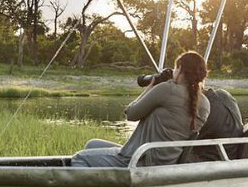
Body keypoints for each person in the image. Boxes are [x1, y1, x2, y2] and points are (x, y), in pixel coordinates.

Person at [71, 51, 211, 167]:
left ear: (180, 68)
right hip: (165, 162)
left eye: (175, 68)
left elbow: (130, 114)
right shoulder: (205, 104)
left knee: (79, 158)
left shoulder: (167, 89)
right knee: (92, 144)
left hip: (139, 160)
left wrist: (151, 87)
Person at [180, 86, 245, 163]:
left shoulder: (204, 108)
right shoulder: (223, 94)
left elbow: (183, 138)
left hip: (213, 161)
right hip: (231, 156)